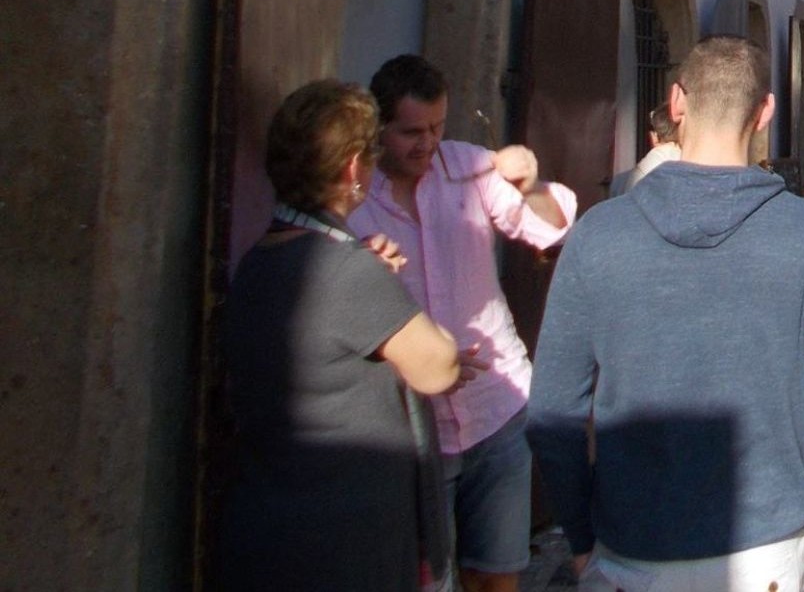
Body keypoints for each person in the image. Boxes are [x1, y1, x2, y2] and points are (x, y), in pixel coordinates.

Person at [529, 36, 804, 588]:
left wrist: (579, 534)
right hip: (763, 541)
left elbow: (554, 410)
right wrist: (778, 416)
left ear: (676, 103)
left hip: (636, 540)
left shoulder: (598, 236)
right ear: (766, 111)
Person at [217, 81, 462, 592]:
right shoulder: (344, 269)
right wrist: (384, 285)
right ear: (354, 167)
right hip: (345, 536)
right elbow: (439, 366)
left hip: (273, 522)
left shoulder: (261, 260)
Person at [349, 54, 576, 592]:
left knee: (497, 576)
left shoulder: (468, 169)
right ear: (378, 127)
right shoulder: (356, 200)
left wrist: (531, 188)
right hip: (410, 429)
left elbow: (553, 231)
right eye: (411, 132)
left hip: (497, 413)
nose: (427, 143)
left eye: (437, 127)